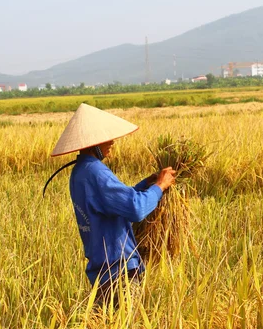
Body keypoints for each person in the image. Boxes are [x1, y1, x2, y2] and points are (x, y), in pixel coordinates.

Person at [44, 103, 176, 307]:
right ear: (93, 142)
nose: (112, 141)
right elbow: (135, 209)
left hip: (103, 271)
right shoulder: (96, 172)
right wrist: (160, 185)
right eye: (107, 137)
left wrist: (148, 183)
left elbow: (117, 201)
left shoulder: (81, 172)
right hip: (118, 271)